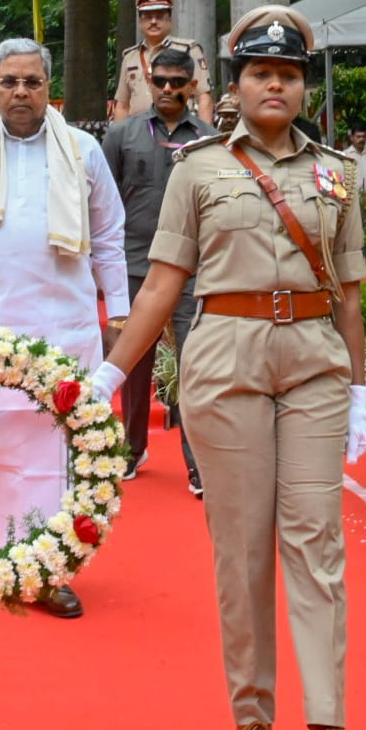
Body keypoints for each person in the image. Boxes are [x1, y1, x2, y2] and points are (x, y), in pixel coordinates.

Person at [92, 5, 366, 730]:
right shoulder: (199, 169)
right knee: (242, 547)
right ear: (238, 85)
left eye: (288, 74)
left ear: (302, 88)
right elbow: (161, 286)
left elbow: (350, 294)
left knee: (316, 542)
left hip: (315, 360)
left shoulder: (335, 171)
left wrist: (357, 391)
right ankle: (252, 724)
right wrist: (111, 378)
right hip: (225, 358)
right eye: (260, 72)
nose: (275, 83)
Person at [0, 37, 129, 619]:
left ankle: (48, 571)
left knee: (54, 457)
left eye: (32, 82)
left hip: (65, 325)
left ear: (47, 89)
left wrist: (123, 314)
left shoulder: (82, 150)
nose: (20, 93)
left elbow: (110, 235)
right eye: (10, 81)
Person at [101, 46, 215, 494]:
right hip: (133, 263)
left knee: (195, 364)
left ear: (191, 86)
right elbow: (104, 204)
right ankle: (130, 449)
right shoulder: (121, 135)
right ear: (149, 83)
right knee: (131, 364)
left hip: (192, 267)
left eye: (176, 82)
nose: (168, 89)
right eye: (160, 81)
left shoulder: (208, 139)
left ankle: (199, 464)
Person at [113, 0, 214, 123]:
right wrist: (119, 140)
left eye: (159, 17)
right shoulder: (130, 57)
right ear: (140, 22)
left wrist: (205, 139)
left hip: (179, 130)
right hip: (138, 134)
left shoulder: (188, 50)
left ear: (170, 21)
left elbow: (204, 97)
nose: (153, 21)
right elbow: (122, 105)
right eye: (147, 17)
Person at [343, 120, 366, 202]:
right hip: (350, 201)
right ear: (351, 138)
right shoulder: (344, 156)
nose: (361, 139)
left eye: (364, 137)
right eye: (358, 137)